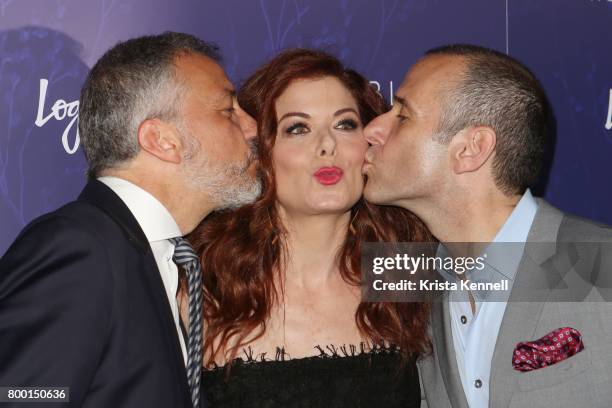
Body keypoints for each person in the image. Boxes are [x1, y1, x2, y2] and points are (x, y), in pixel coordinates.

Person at [0, 32, 260, 408]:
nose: (252, 127)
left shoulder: (151, 252)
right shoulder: (80, 250)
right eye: (227, 109)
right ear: (162, 140)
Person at [363, 44, 612, 408]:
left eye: (402, 115)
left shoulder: (601, 266)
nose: (372, 129)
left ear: (471, 149)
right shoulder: (412, 288)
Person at [187, 49, 432, 408]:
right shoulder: (203, 289)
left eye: (345, 124)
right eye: (298, 128)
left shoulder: (406, 274)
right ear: (260, 151)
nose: (327, 145)